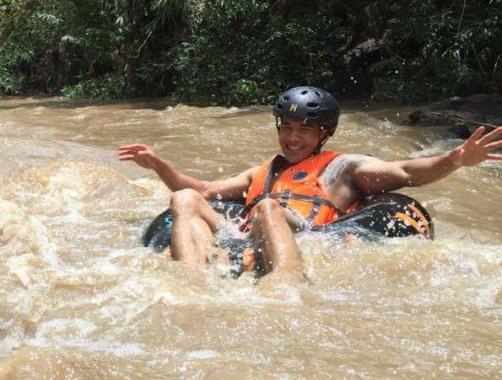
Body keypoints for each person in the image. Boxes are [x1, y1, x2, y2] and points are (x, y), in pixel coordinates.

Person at [119, 86, 502, 283]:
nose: (292, 137)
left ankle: (286, 282)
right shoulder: (262, 171)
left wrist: (456, 159)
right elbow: (201, 191)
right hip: (244, 237)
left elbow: (407, 172)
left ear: (324, 133)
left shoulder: (342, 169)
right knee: (183, 197)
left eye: (304, 130)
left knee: (269, 207)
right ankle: (189, 281)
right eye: (286, 128)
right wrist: (157, 164)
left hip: (308, 235)